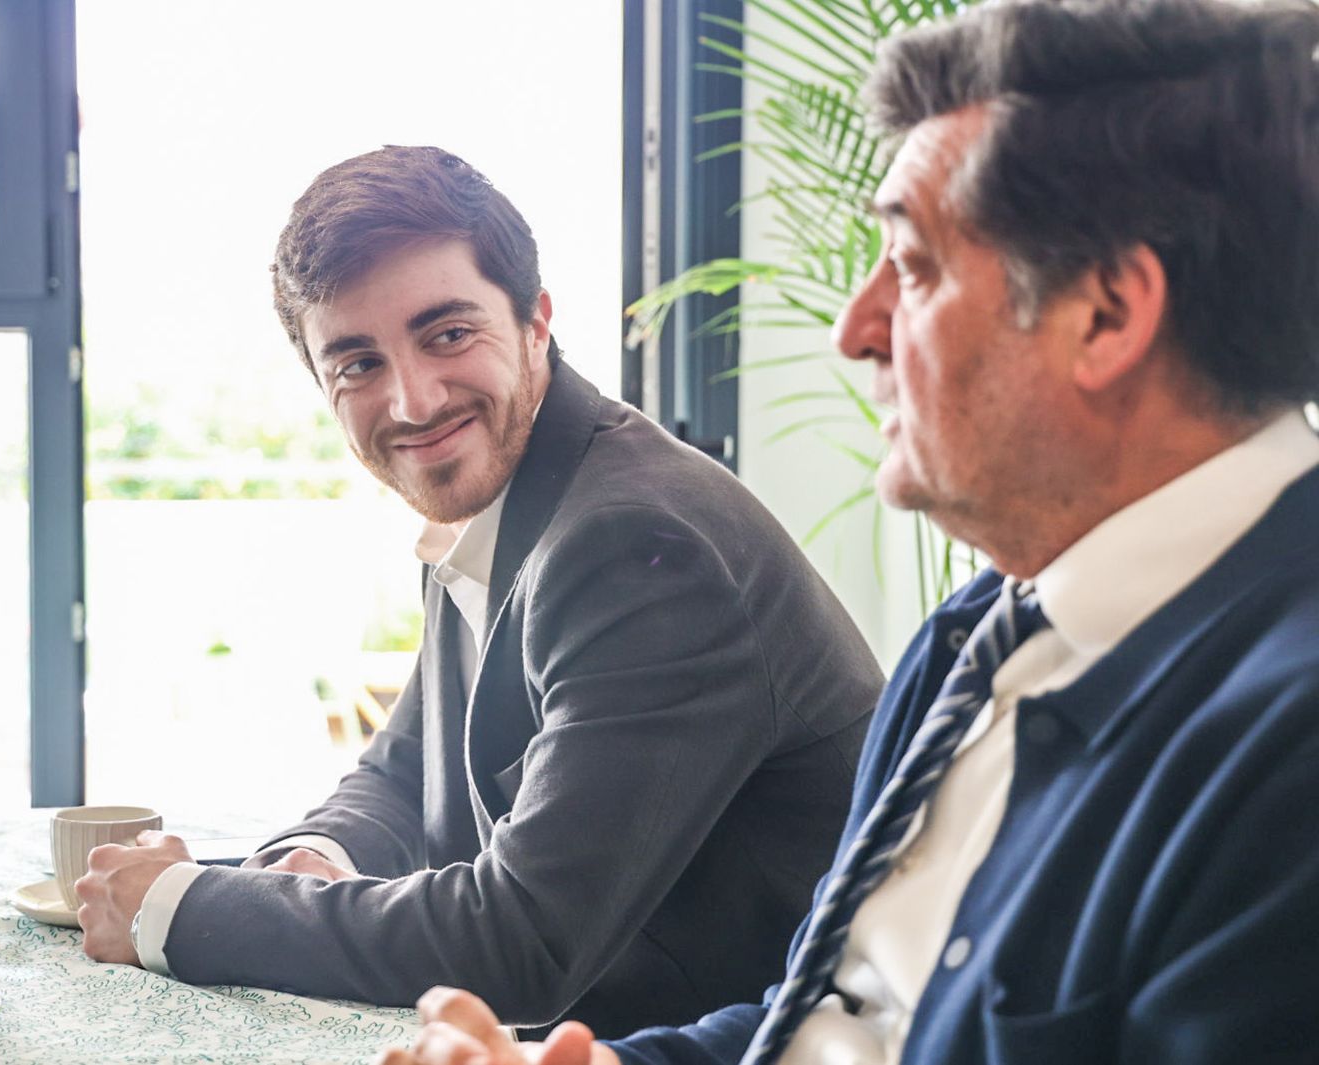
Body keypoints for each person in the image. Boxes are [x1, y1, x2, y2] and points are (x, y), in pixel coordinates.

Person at [379, 0, 1319, 1062]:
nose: (853, 324)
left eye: (912, 267)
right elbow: (837, 1021)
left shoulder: (1288, 754)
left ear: (1104, 313)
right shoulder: (971, 641)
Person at [75, 145, 886, 1038]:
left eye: (448, 334)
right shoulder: (509, 486)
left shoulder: (636, 543)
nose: (414, 401)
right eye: (357, 364)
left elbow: (520, 942)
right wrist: (309, 857)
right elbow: (404, 765)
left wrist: (183, 908)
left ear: (536, 321)